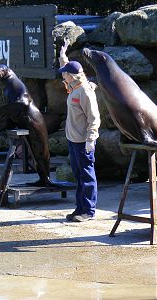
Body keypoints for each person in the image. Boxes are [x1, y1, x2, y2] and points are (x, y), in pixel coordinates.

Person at [58, 39, 101, 222]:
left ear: (71, 76)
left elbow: (94, 118)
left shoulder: (85, 91)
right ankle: (80, 207)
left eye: (64, 74)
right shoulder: (73, 86)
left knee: (87, 175)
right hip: (73, 140)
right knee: (79, 175)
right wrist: (62, 56)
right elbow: (67, 67)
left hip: (83, 141)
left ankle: (89, 211)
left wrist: (91, 140)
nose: (62, 76)